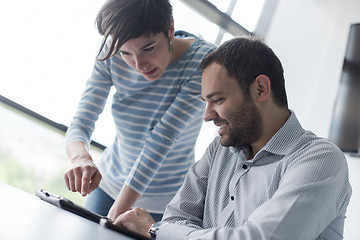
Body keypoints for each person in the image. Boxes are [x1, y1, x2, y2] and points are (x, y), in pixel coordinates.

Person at [112, 36, 352, 240]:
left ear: (260, 89)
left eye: (217, 100)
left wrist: (158, 230)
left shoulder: (321, 160)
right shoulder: (221, 148)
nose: (207, 116)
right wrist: (168, 230)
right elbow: (176, 218)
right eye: (206, 102)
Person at [63, 0, 216, 222]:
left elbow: (162, 139)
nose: (139, 64)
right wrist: (80, 158)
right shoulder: (111, 52)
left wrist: (114, 216)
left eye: (148, 48)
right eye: (126, 54)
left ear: (170, 28)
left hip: (164, 200)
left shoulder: (203, 62)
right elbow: (82, 120)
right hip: (108, 183)